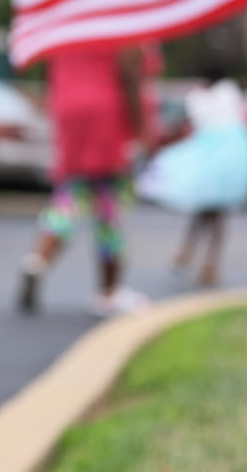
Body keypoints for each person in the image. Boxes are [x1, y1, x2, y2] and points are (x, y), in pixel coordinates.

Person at [17, 44, 159, 317]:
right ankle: (109, 292)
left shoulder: (73, 20)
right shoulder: (122, 20)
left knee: (68, 199)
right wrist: (142, 131)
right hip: (109, 117)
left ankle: (38, 260)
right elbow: (130, 72)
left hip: (70, 115)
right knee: (109, 209)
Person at [138, 61, 247, 286]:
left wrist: (160, 138)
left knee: (206, 212)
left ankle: (192, 257)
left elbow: (182, 122)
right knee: (213, 214)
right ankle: (204, 262)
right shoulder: (228, 91)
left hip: (211, 157)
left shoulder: (201, 96)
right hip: (224, 158)